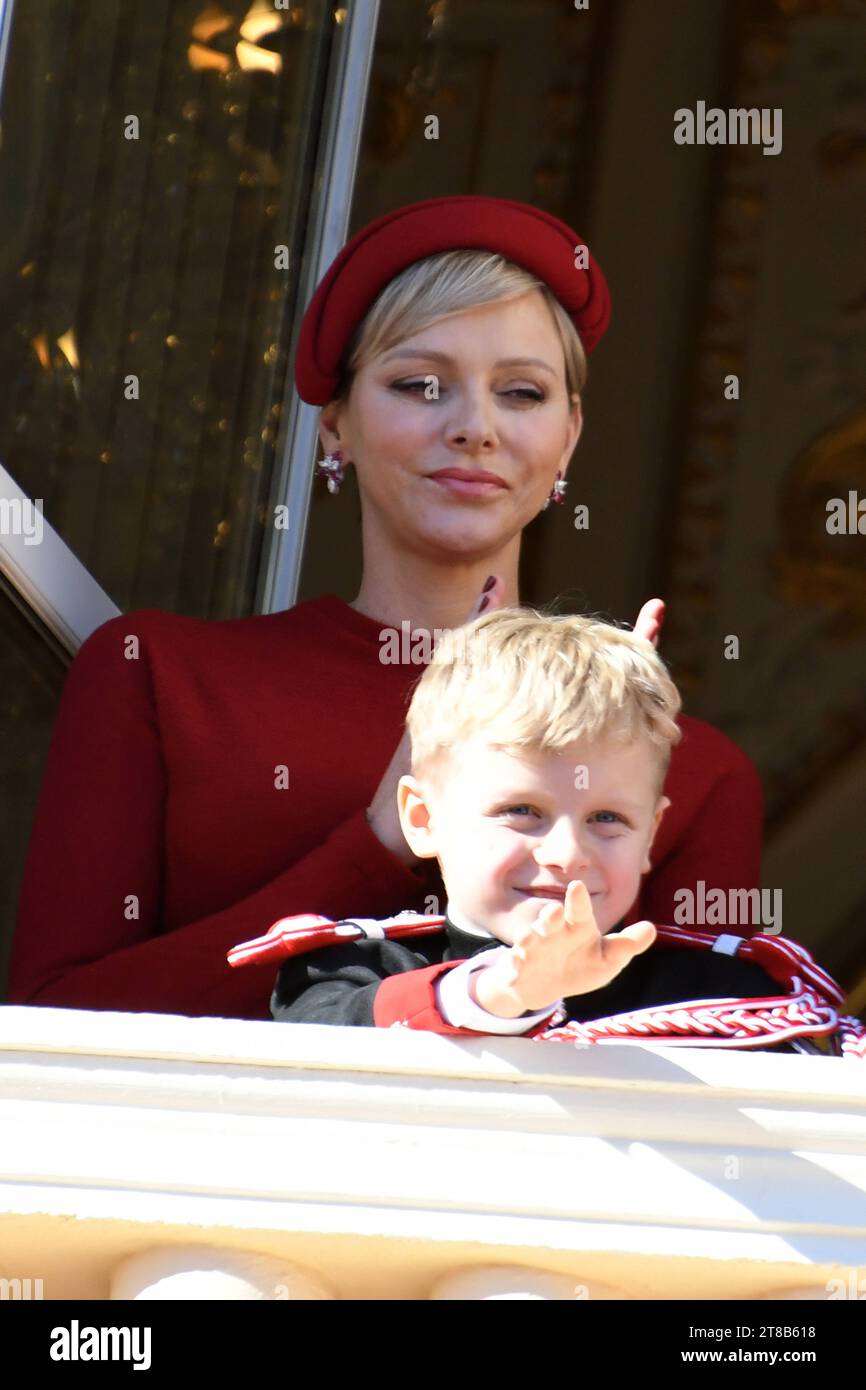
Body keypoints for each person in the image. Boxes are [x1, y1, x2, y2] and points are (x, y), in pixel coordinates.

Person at [8, 195, 762, 1021]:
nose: (475, 427)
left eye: (521, 393)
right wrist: (377, 843)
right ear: (335, 425)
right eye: (420, 384)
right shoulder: (160, 676)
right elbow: (56, 1024)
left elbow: (708, 1063)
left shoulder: (688, 767)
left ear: (569, 437)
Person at [270, 607, 791, 1042]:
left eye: (607, 818)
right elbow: (319, 1044)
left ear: (651, 834)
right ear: (423, 819)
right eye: (522, 811)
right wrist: (498, 995)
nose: (567, 854)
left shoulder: (726, 998)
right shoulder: (345, 973)